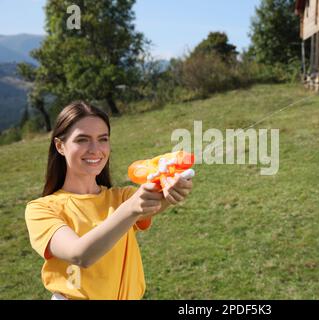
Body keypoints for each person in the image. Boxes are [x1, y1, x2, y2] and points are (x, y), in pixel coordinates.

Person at [25, 101, 193, 300]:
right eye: (82, 140)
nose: (95, 149)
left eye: (103, 139)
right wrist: (130, 209)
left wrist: (174, 185)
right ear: (60, 146)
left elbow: (156, 199)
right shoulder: (41, 209)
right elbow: (80, 255)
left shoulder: (121, 197)